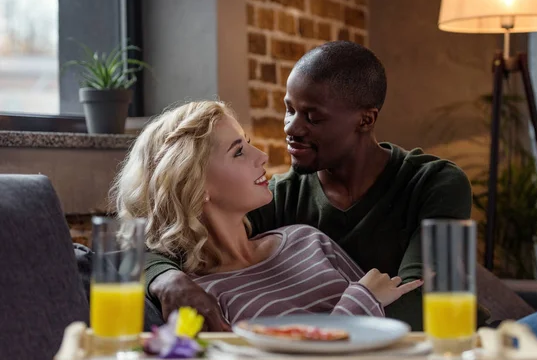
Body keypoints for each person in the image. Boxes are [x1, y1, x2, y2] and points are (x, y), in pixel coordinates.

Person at [142, 42, 537, 360]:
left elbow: (421, 308)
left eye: (312, 116)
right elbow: (174, 232)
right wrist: (166, 277)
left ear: (365, 118)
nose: (289, 131)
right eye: (288, 111)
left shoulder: (431, 183)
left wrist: (352, 314)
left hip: (465, 352)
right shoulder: (280, 198)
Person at [113, 100, 423, 325]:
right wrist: (361, 302)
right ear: (196, 185)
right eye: (238, 151)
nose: (262, 157)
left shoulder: (306, 240)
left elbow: (388, 334)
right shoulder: (203, 298)